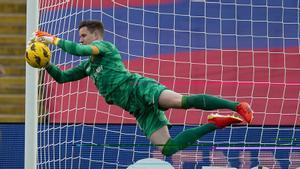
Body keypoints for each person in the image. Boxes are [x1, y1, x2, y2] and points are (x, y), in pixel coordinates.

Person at [33, 20, 254, 157]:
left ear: (95, 35)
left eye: (83, 35)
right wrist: (46, 64)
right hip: (137, 108)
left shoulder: (103, 47)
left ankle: (237, 105)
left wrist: (53, 40)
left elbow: (78, 50)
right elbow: (62, 77)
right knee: (168, 149)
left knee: (181, 102)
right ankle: (216, 123)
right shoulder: (90, 65)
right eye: (79, 36)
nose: (80, 39)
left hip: (139, 88)